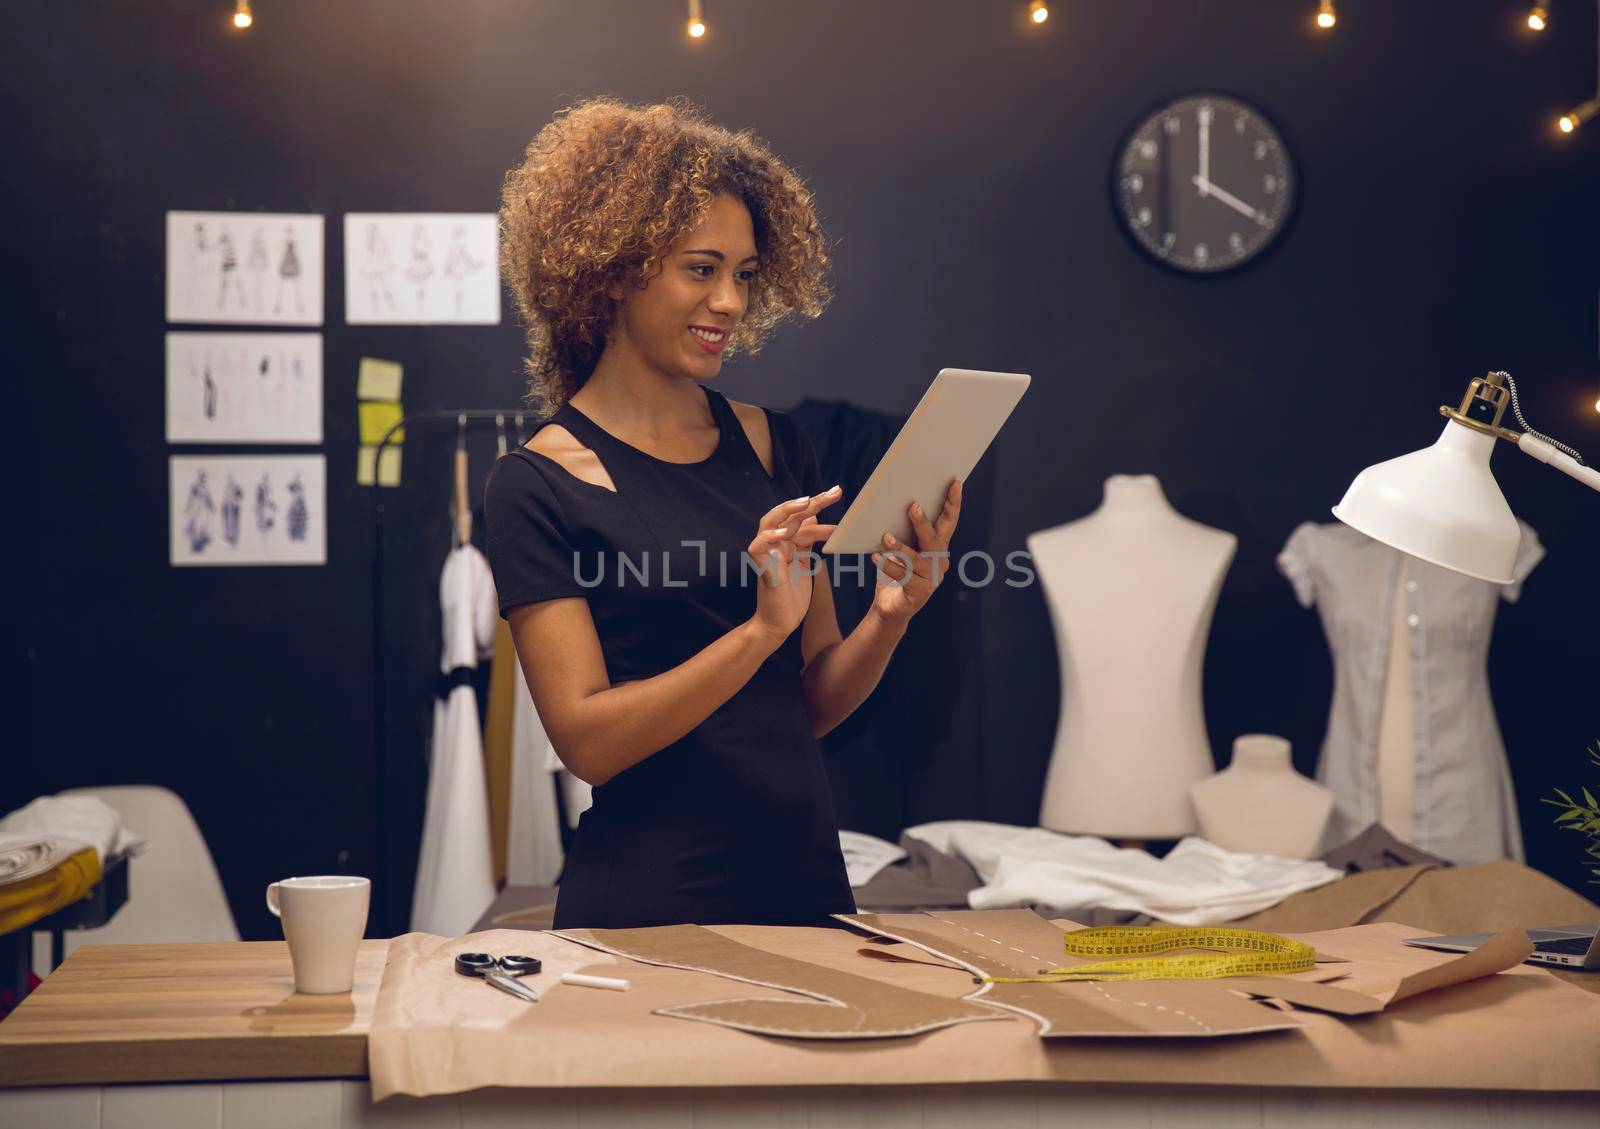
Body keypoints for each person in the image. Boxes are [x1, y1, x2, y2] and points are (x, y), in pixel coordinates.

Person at [484, 98, 962, 929]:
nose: (731, 302)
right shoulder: (538, 483)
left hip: (805, 887)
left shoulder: (775, 448)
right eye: (701, 269)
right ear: (614, 268)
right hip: (649, 904)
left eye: (743, 275)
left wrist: (889, 618)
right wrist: (755, 632)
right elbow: (586, 741)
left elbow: (810, 703)